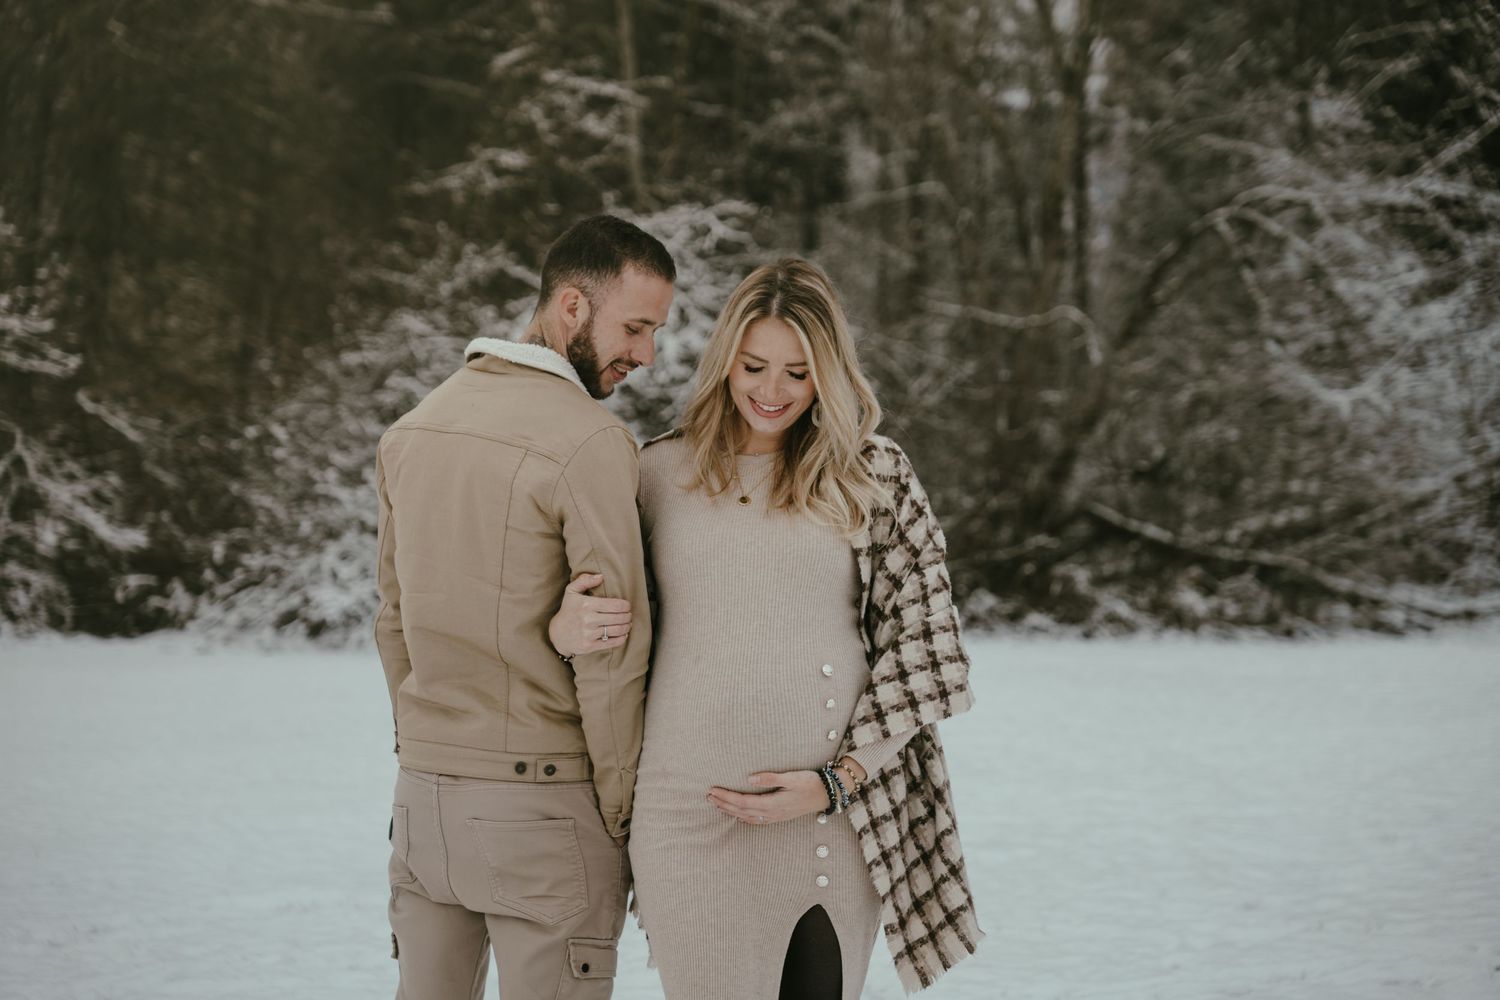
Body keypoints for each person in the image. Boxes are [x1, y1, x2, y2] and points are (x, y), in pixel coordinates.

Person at [552, 258, 983, 998]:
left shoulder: (870, 475)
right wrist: (566, 625)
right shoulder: (655, 473)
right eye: (755, 367)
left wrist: (838, 784)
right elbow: (593, 615)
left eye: (798, 373)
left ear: (828, 378)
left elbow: (928, 647)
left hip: (831, 822)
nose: (772, 392)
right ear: (726, 361)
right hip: (690, 820)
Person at [373, 214, 675, 1000]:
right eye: (635, 328)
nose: (646, 354)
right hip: (545, 813)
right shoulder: (591, 443)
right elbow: (614, 651)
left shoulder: (413, 429)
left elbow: (392, 621)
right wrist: (620, 817)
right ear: (571, 307)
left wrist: (427, 746)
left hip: (424, 803)